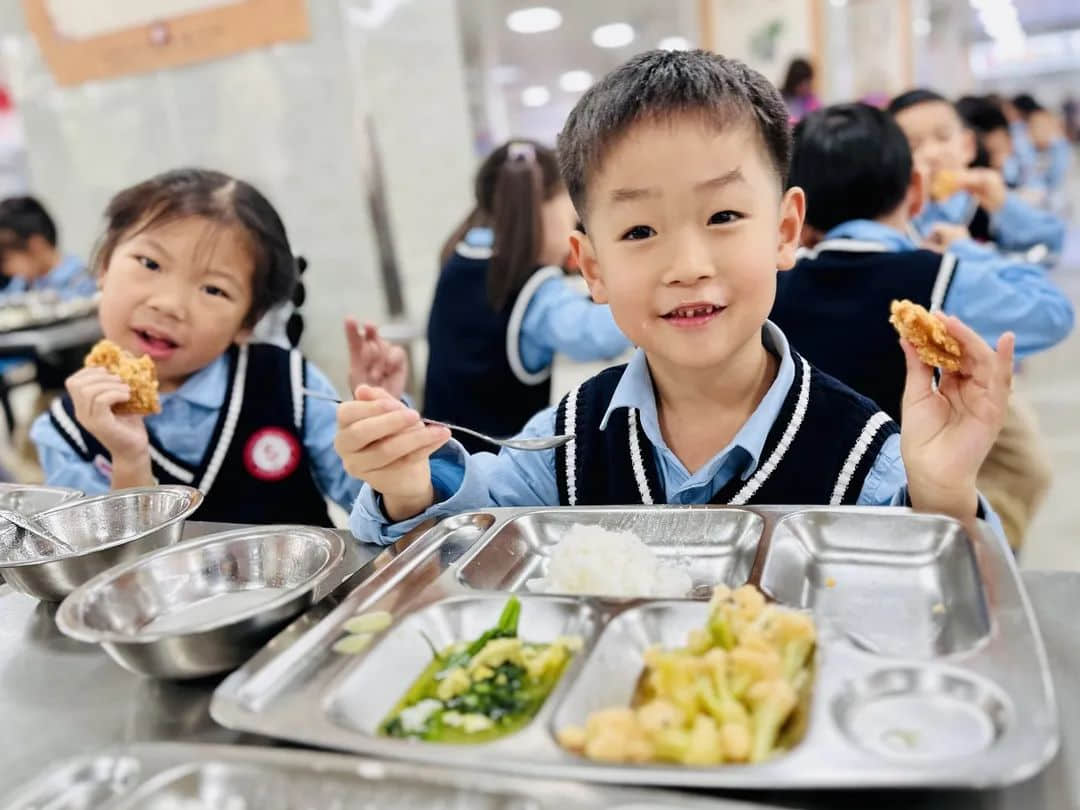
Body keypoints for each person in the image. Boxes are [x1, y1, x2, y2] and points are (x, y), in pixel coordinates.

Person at [338, 50, 1012, 546]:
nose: (688, 266)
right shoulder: (567, 441)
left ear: (784, 231)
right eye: (639, 230)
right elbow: (464, 533)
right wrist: (406, 484)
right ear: (592, 267)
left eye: (723, 217)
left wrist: (946, 493)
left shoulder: (866, 455)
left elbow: (944, 611)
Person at [772, 103, 1070, 549]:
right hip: (911, 503)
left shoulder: (775, 287)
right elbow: (1052, 313)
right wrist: (968, 249)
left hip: (801, 515)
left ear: (798, 210)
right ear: (914, 188)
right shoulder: (941, 277)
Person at [30, 168, 366, 526]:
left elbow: (371, 509)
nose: (169, 304)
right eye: (151, 263)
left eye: (213, 289)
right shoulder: (65, 433)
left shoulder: (292, 385)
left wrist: (383, 438)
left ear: (247, 322)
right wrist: (129, 461)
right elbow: (106, 568)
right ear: (104, 265)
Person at [425, 140, 630, 452]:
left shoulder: (459, 258)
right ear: (541, 209)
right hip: (497, 475)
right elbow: (596, 336)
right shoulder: (534, 288)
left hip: (440, 457)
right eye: (570, 216)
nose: (574, 230)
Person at [888, 89, 1065, 255]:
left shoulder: (987, 205)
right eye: (913, 145)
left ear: (968, 146)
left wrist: (1003, 204)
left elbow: (1052, 240)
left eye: (943, 137)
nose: (932, 154)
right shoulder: (893, 219)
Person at [0, 196, 95, 300]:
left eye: (5, 260)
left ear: (36, 245)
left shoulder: (82, 282)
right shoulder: (22, 283)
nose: (5, 270)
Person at [779, 57, 820, 124]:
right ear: (794, 81)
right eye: (803, 83)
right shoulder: (780, 99)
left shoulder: (812, 100)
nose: (807, 87)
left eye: (808, 82)